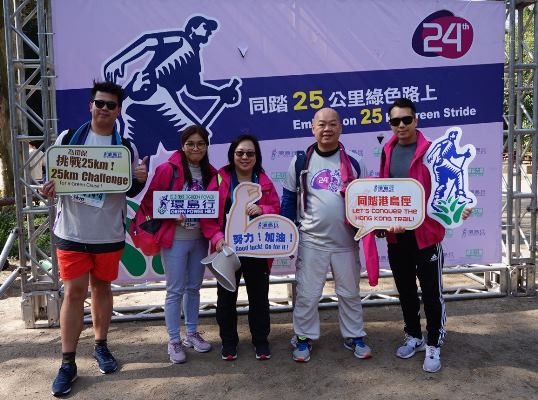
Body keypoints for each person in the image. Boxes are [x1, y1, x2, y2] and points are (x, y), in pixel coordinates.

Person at [41, 81, 148, 396]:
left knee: (102, 288)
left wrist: (139, 179)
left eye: (111, 105)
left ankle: (101, 345)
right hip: (71, 233)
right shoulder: (68, 139)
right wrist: (48, 189)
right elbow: (52, 181)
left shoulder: (125, 147)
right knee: (74, 294)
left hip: (108, 234)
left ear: (118, 110)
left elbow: (129, 189)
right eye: (99, 103)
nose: (104, 109)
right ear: (90, 105)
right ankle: (67, 362)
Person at [379, 98, 471, 373]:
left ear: (416, 120)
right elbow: (385, 192)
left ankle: (433, 343)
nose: (401, 125)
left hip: (427, 236)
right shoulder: (387, 150)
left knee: (431, 294)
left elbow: (449, 185)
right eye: (396, 121)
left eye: (406, 119)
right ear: (390, 124)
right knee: (406, 291)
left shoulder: (432, 150)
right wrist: (383, 224)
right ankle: (414, 336)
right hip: (398, 237)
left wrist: (459, 209)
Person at [280, 107, 371, 363]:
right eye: (322, 124)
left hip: (346, 242)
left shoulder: (355, 161)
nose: (327, 129)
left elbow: (367, 201)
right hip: (311, 241)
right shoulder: (300, 162)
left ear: (341, 127)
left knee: (350, 293)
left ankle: (354, 335)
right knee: (307, 294)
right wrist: (289, 234)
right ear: (312, 127)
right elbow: (288, 199)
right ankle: (302, 337)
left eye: (332, 124)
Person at [139, 125, 216, 364]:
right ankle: (173, 340)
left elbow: (217, 204)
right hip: (175, 240)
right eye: (190, 144)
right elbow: (151, 201)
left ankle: (191, 333)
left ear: (206, 147)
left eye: (200, 144)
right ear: (182, 146)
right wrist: (170, 214)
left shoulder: (212, 172)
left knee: (194, 287)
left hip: (200, 240)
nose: (195, 148)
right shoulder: (166, 170)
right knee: (174, 290)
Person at [200, 134, 280, 361]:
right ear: (232, 155)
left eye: (250, 153)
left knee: (259, 298)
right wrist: (216, 237)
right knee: (226, 299)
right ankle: (228, 343)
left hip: (256, 251)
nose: (245, 157)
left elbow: (276, 208)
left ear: (257, 157)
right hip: (226, 250)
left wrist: (262, 209)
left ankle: (261, 342)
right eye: (240, 153)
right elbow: (208, 215)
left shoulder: (263, 181)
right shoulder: (219, 179)